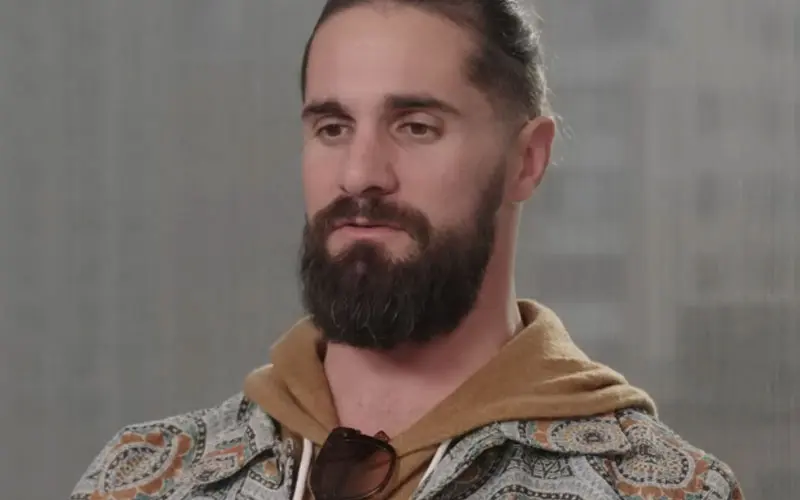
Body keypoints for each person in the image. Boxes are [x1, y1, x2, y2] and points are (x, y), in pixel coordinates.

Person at [71, 1, 745, 499]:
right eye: (332, 127)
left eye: (416, 126)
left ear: (527, 161)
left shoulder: (658, 489)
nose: (359, 173)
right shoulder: (146, 478)